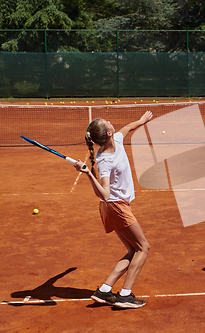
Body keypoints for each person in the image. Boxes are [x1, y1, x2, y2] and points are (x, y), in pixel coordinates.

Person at [73, 111, 153, 308]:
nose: (111, 122)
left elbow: (127, 128)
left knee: (133, 250)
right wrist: (89, 174)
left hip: (114, 207)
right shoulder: (105, 161)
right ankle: (125, 295)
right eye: (107, 123)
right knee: (144, 248)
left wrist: (141, 121)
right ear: (108, 133)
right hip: (115, 206)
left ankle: (104, 290)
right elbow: (105, 194)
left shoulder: (117, 137)